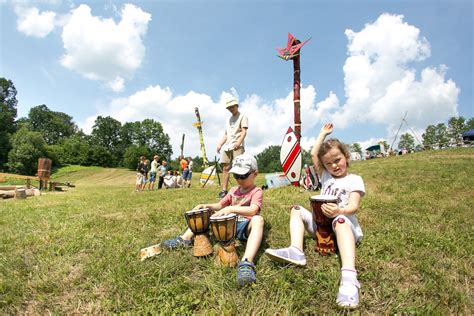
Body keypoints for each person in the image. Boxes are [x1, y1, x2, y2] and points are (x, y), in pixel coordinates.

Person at [265, 123, 365, 309]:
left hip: (344, 228)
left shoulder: (354, 179)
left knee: (341, 221)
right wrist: (322, 134)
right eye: (328, 163)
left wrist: (339, 211)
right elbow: (313, 154)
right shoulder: (325, 176)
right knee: (296, 209)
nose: (334, 165)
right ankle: (296, 250)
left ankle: (350, 278)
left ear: (346, 157)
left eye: (337, 160)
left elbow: (353, 206)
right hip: (321, 227)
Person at [163, 153, 264, 286]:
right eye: (236, 176)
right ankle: (185, 239)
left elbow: (253, 210)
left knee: (258, 220)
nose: (239, 179)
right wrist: (206, 205)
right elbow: (220, 205)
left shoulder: (256, 191)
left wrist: (230, 209)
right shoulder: (233, 190)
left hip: (245, 225)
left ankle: (246, 262)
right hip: (227, 225)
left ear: (255, 174)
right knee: (205, 211)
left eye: (243, 176)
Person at [216, 99, 249, 198]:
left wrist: (239, 142)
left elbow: (244, 131)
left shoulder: (243, 116)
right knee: (225, 168)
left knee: (239, 168)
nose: (231, 109)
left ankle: (244, 189)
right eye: (229, 108)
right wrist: (220, 144)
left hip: (237, 146)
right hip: (227, 147)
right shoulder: (228, 120)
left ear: (236, 106)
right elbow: (226, 135)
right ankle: (224, 191)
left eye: (232, 107)